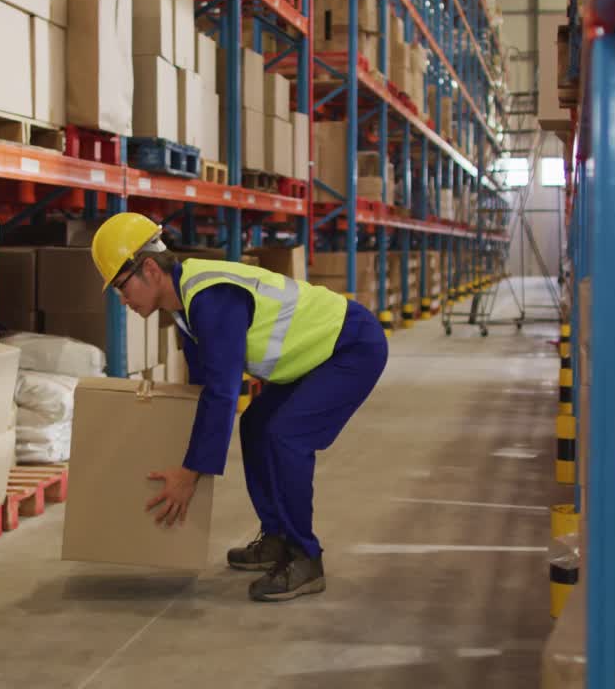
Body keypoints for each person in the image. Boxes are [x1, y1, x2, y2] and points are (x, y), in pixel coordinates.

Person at [88, 213, 389, 602]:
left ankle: (305, 557)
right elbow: (202, 390)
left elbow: (223, 392)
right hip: (315, 357)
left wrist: (190, 473)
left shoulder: (210, 299)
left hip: (350, 347)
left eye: (121, 286)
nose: (123, 299)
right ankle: (277, 536)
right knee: (256, 425)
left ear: (149, 268)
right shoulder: (184, 307)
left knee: (287, 436)